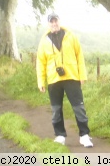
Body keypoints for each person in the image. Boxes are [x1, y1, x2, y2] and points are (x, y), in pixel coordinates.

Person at [36, 13, 93, 148]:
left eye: (56, 21)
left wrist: (82, 76)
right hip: (53, 79)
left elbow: (79, 56)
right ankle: (60, 135)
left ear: (59, 22)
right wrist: (41, 81)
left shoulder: (71, 36)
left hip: (72, 77)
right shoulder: (44, 41)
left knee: (78, 107)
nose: (54, 24)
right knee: (56, 109)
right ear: (48, 24)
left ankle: (84, 135)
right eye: (51, 22)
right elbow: (40, 62)